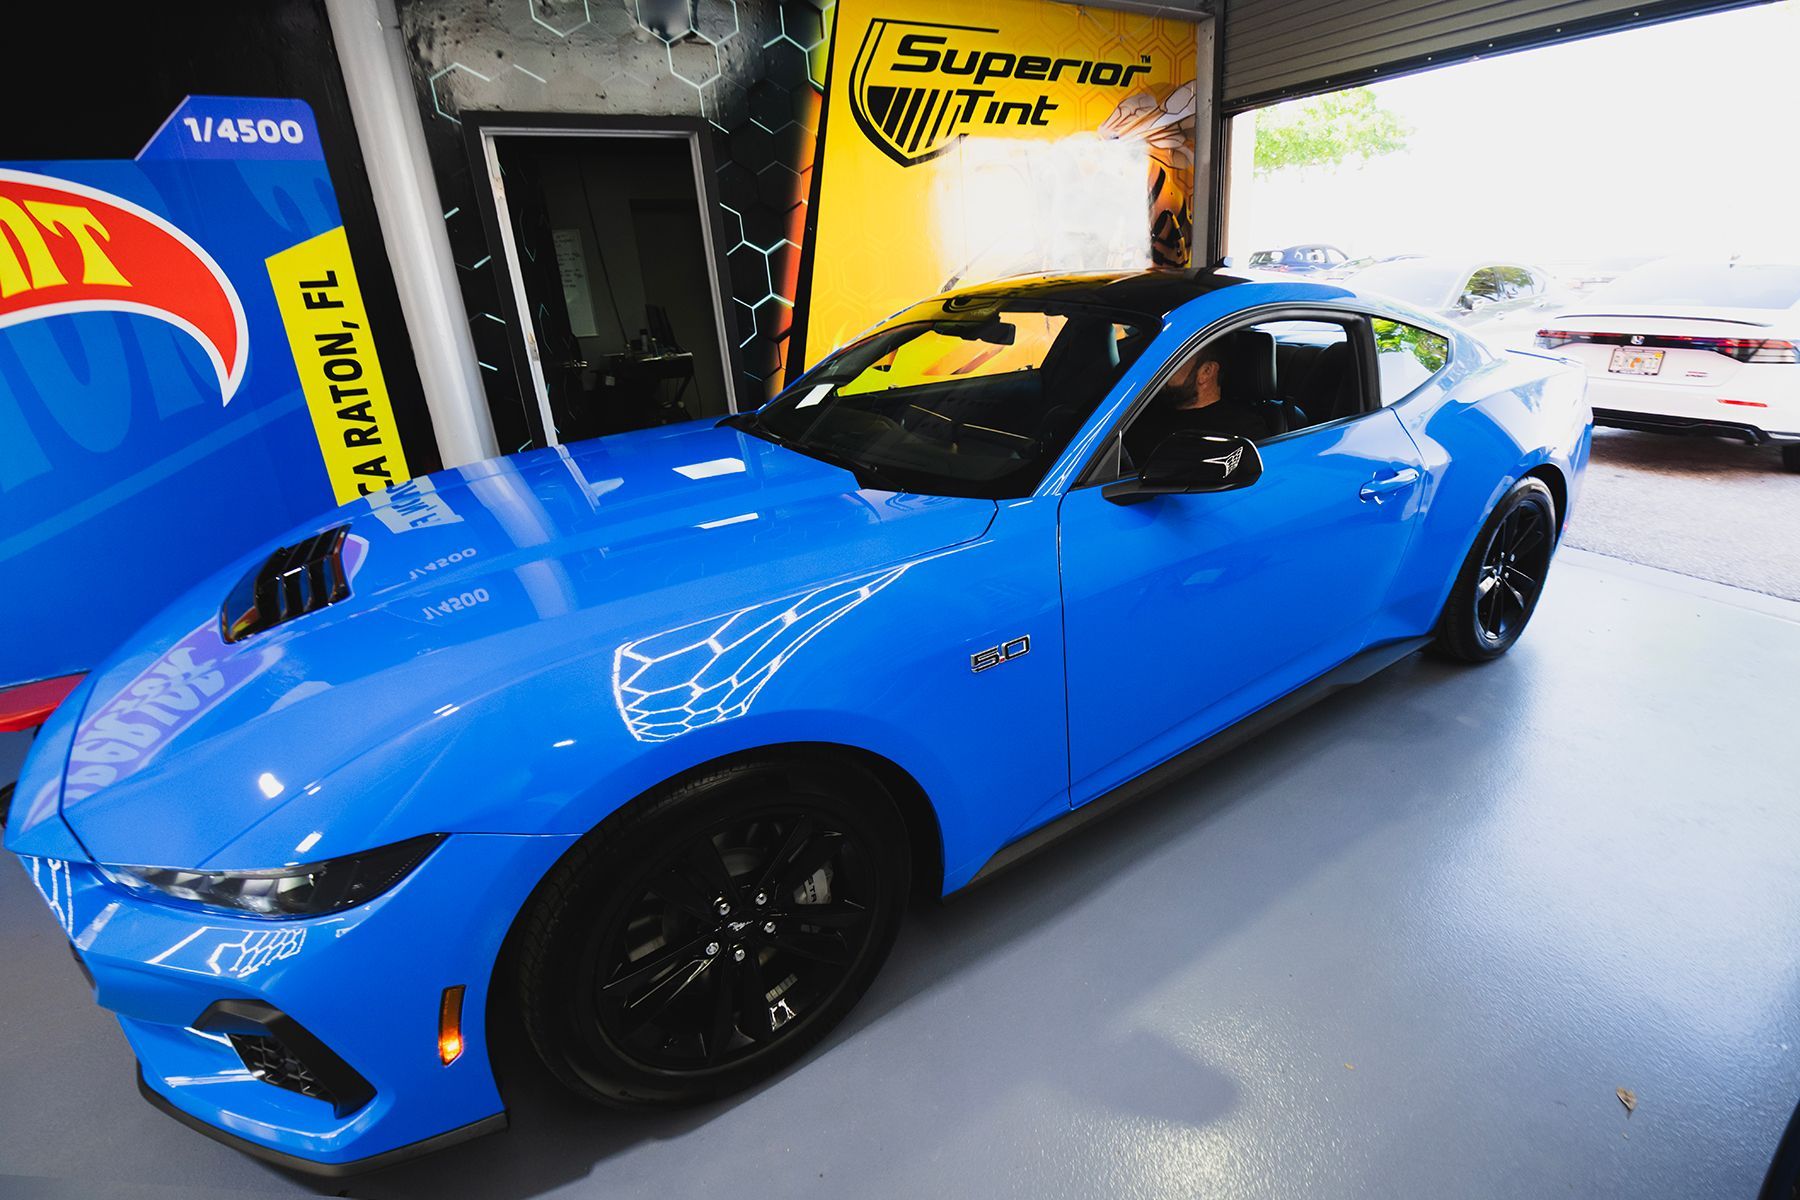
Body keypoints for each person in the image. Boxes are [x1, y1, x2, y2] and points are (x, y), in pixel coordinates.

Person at [1124, 338, 1274, 464]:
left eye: (1175, 361)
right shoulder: (1141, 411)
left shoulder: (1243, 430)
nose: (1162, 369)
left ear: (1207, 371)